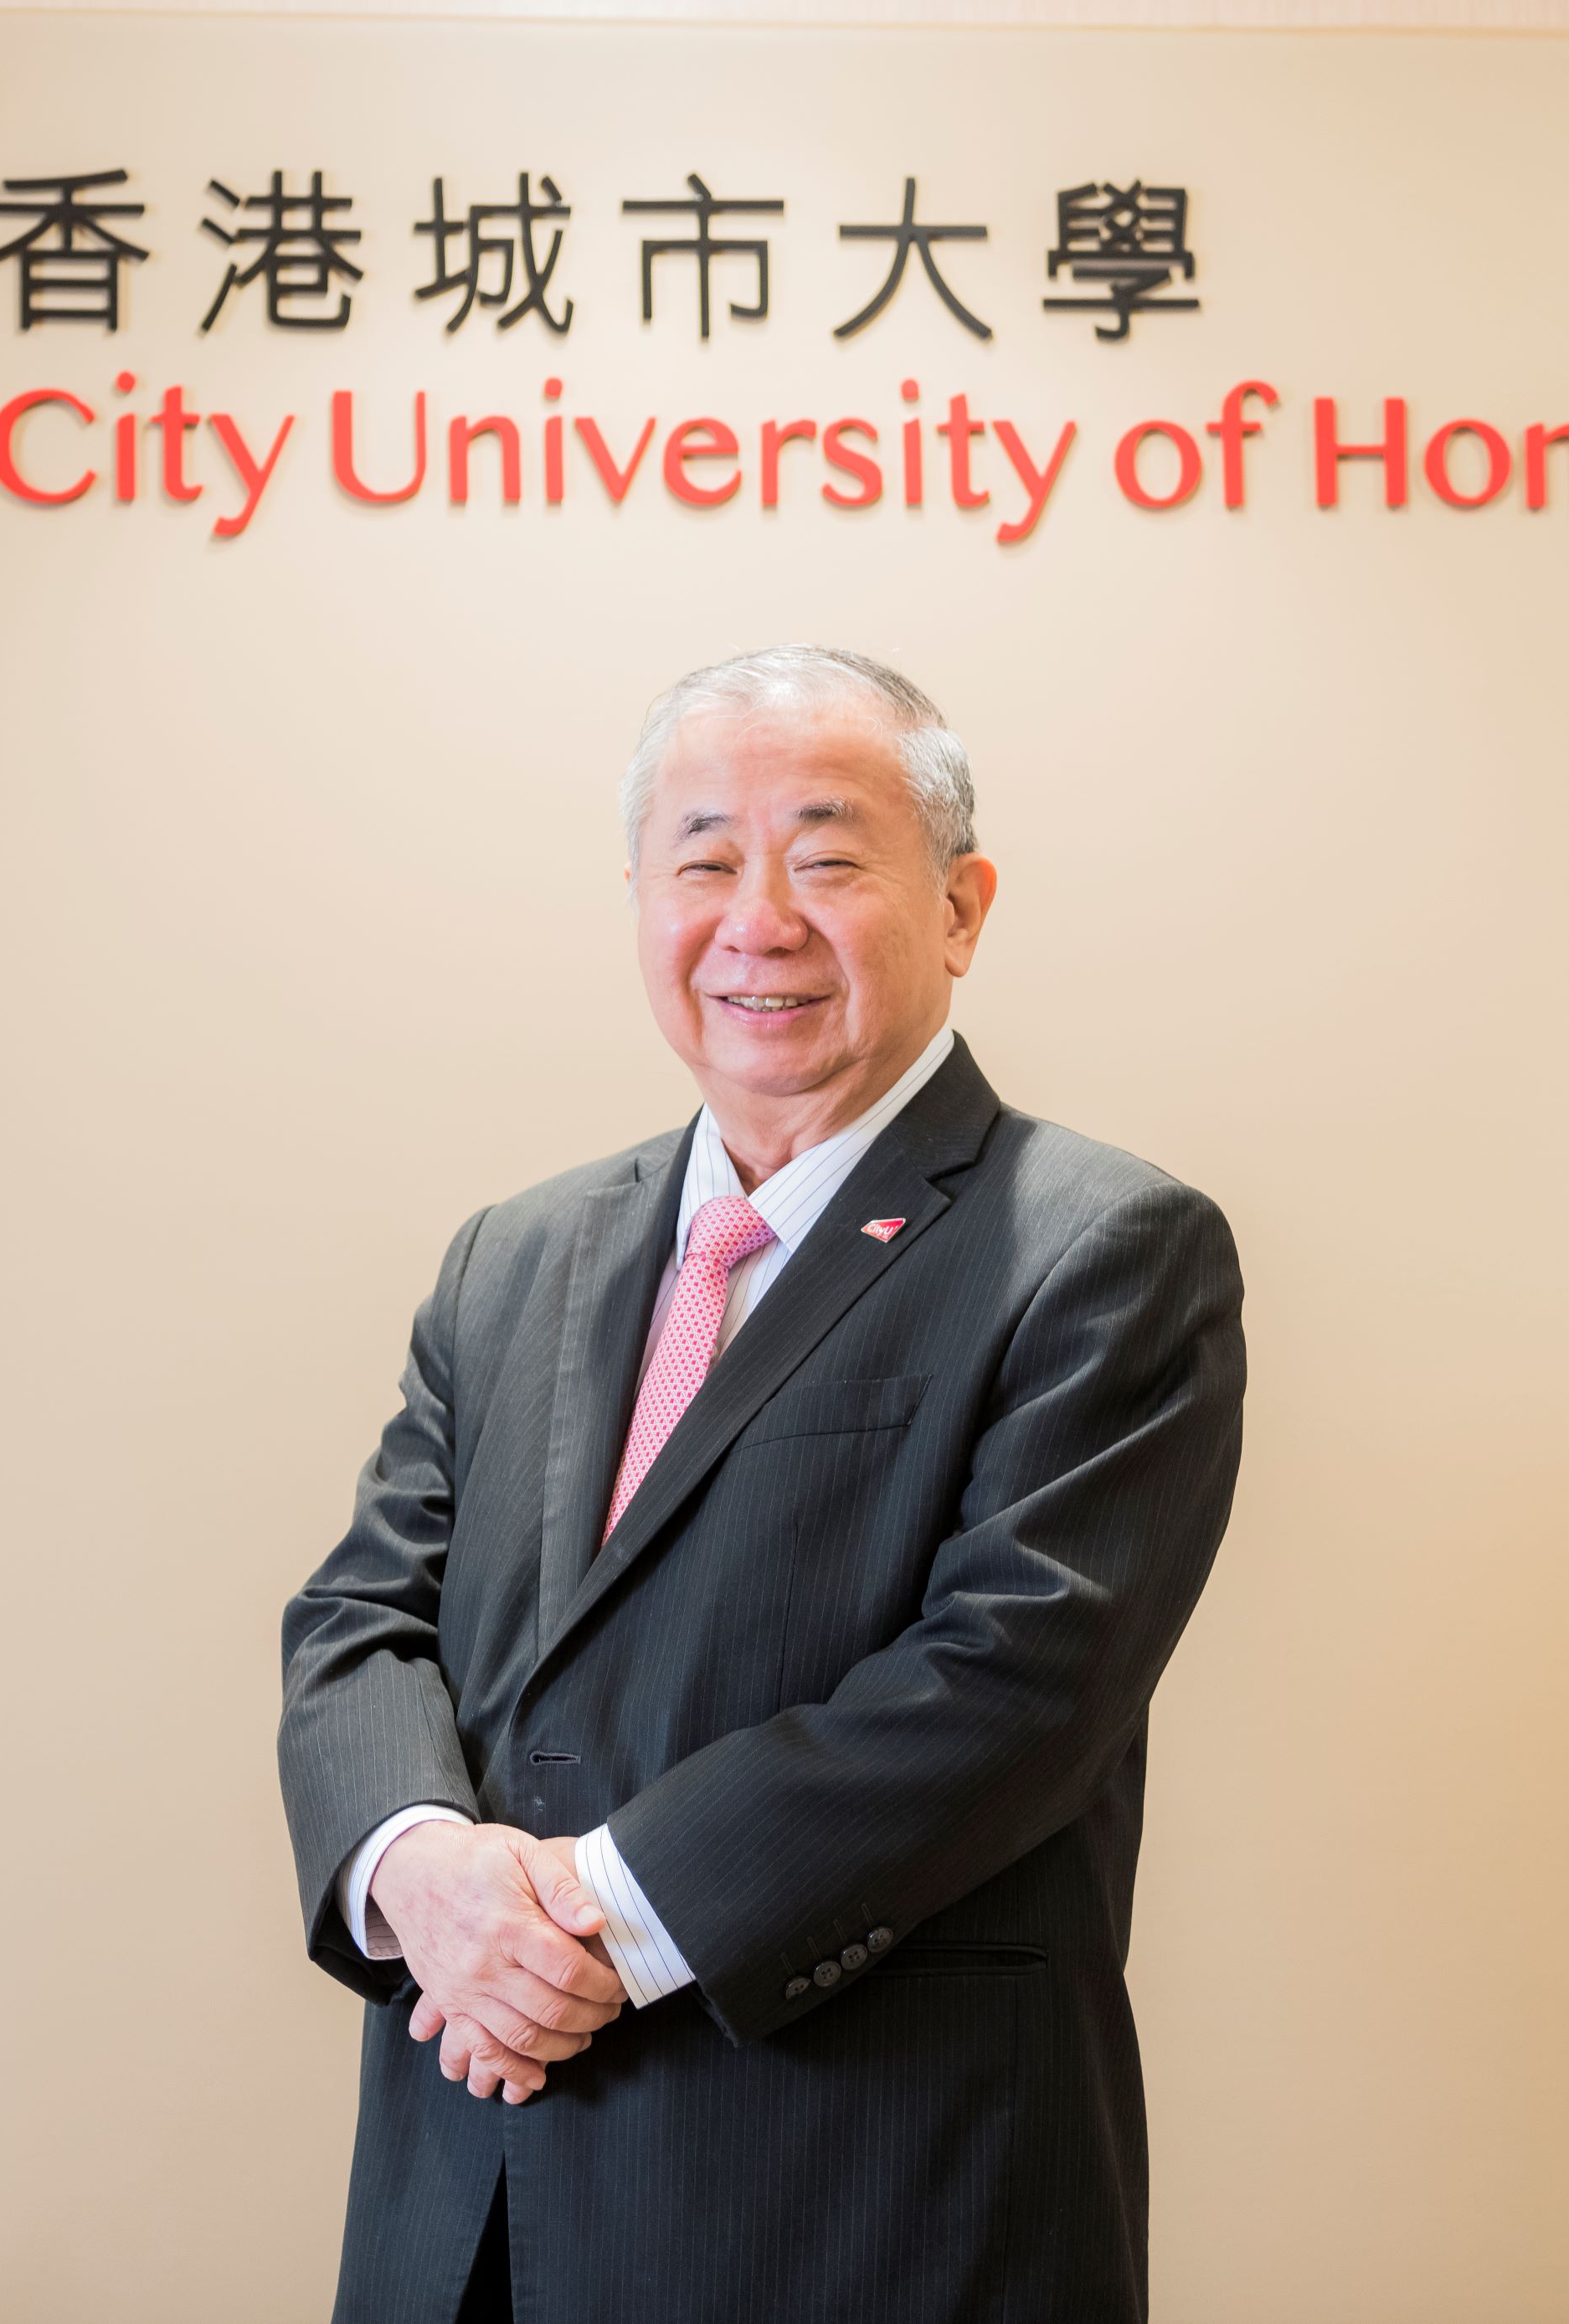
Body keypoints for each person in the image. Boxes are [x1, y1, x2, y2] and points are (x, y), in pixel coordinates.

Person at [276, 646, 1247, 2324]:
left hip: (863, 2213)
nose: (757, 919)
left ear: (960, 906)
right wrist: (421, 1866)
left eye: (824, 856)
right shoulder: (516, 1255)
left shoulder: (1099, 1249)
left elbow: (1005, 1687)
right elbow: (360, 1618)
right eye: (704, 860)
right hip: (473, 2211)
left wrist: (573, 1916)